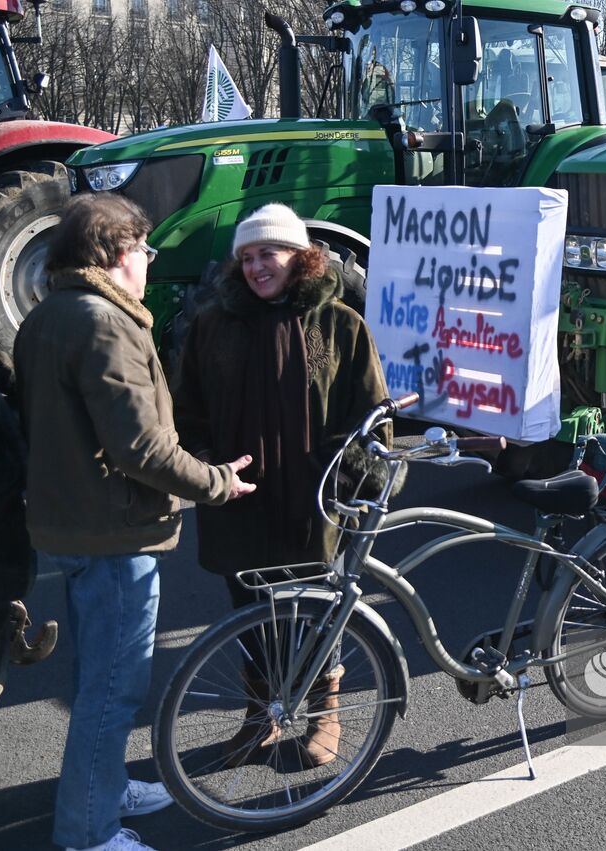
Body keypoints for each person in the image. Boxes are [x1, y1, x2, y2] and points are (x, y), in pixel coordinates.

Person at [13, 194, 256, 851]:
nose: (149, 263)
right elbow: (140, 447)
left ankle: (106, 788)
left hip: (75, 525)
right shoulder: (105, 323)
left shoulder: (47, 315)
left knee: (98, 675)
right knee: (113, 689)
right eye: (144, 251)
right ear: (118, 255)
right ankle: (89, 832)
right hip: (113, 529)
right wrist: (216, 481)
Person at [174, 203, 394, 770]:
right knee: (246, 607)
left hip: (315, 504)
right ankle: (260, 715)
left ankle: (326, 712)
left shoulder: (342, 324)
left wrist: (347, 481)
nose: (254, 266)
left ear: (301, 258)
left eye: (266, 253)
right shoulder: (211, 325)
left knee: (318, 609)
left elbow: (374, 418)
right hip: (237, 501)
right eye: (245, 257)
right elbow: (188, 411)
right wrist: (202, 465)